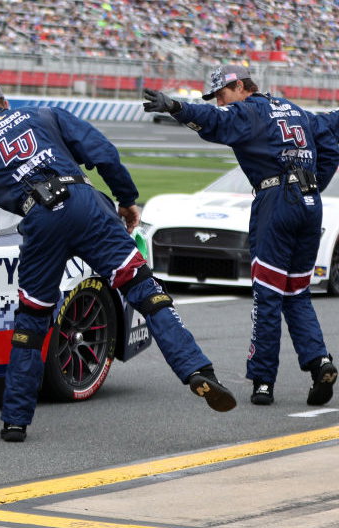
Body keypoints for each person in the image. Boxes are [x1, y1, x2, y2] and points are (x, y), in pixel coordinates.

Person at [0, 77, 236, 443]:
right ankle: (198, 370)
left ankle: (15, 421)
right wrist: (127, 198)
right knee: (144, 291)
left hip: (42, 219)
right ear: (4, 103)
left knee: (32, 321)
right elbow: (104, 153)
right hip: (88, 206)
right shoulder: (44, 114)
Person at [144, 64, 339, 407]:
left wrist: (176, 107)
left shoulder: (249, 110)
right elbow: (331, 136)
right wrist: (314, 184)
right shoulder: (295, 110)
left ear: (239, 87)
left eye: (222, 95)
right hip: (310, 205)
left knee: (267, 295)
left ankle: (263, 382)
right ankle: (320, 362)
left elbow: (214, 121)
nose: (220, 103)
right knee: (297, 292)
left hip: (276, 201)